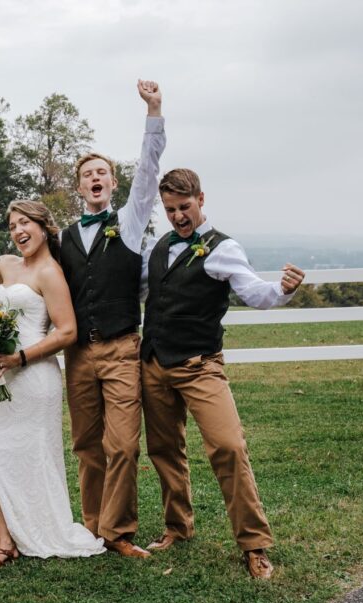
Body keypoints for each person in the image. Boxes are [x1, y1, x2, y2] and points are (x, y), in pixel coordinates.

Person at [140, 168, 305, 579]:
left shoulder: (222, 248)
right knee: (164, 451)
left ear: (201, 199)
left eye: (184, 206)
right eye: (170, 209)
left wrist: (283, 290)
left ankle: (254, 544)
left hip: (200, 366)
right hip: (155, 364)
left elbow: (255, 293)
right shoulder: (158, 248)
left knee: (228, 446)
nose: (178, 216)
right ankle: (177, 527)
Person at [0, 200, 106, 572]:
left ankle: (31, 530)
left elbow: (67, 331)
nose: (19, 231)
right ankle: (3, 541)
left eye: (25, 224)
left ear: (43, 226)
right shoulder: (6, 264)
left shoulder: (50, 273)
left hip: (33, 377)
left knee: (28, 455)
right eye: (13, 225)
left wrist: (20, 358)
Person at [58, 80, 165, 558]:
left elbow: (149, 168)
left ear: (113, 183)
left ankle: (118, 533)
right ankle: (92, 527)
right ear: (80, 187)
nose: (96, 179)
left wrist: (154, 110)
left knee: (122, 445)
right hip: (79, 355)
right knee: (86, 445)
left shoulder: (130, 220)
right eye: (88, 175)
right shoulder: (64, 237)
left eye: (103, 173)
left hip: (122, 348)